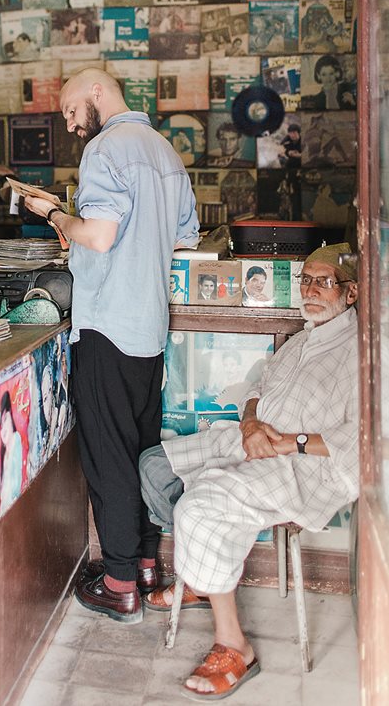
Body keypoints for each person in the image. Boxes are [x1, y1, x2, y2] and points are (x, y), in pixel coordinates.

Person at [140, 242, 358, 700]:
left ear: (351, 292)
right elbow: (258, 388)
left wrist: (290, 442)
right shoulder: (302, 339)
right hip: (251, 440)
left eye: (324, 282)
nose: (311, 290)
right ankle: (202, 576)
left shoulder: (360, 352)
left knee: (201, 506)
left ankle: (235, 647)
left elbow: (361, 439)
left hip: (301, 465)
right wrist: (252, 421)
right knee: (155, 465)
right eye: (306, 280)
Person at [23, 67, 199, 624]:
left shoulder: (105, 150)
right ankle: (148, 565)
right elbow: (183, 239)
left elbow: (99, 235)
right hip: (149, 329)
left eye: (72, 110)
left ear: (97, 91)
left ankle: (120, 582)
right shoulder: (166, 152)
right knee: (143, 447)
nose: (73, 125)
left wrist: (53, 212)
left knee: (109, 455)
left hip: (106, 326)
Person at [0, 392, 23, 512]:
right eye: (0, 425)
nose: (3, 430)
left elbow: (15, 488)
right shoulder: (5, 455)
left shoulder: (15, 440)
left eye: (5, 419)